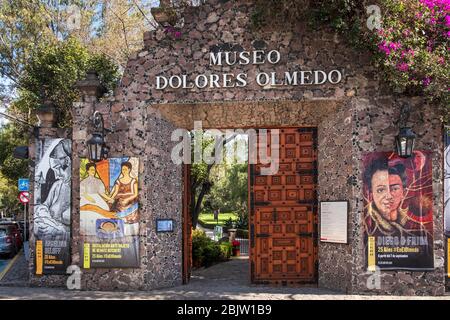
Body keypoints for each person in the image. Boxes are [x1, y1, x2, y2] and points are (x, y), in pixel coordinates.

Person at [34, 139, 71, 239]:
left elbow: (67, 217)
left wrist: (55, 226)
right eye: (53, 170)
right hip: (51, 228)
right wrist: (45, 217)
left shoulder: (76, 188)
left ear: (67, 161)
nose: (56, 175)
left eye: (58, 169)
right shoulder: (57, 185)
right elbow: (45, 205)